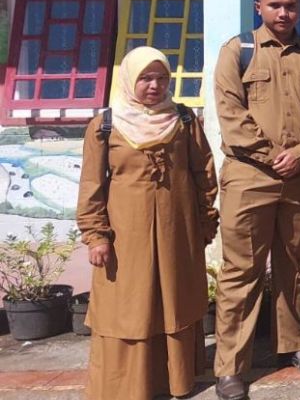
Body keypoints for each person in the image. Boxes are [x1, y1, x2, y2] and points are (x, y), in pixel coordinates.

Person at [212, 0, 300, 400]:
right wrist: (272, 156)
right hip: (250, 177)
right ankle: (231, 367)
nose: (283, 13)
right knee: (241, 273)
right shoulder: (238, 51)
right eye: (274, 5)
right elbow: (231, 113)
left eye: (290, 6)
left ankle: (292, 346)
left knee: (293, 265)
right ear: (258, 7)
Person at [76, 47, 218, 400]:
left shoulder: (183, 121)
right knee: (129, 305)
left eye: (161, 78)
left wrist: (205, 222)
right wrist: (96, 236)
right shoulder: (105, 125)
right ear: (129, 80)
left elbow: (205, 174)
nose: (154, 86)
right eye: (145, 78)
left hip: (177, 232)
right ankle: (128, 385)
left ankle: (175, 380)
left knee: (174, 301)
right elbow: (92, 186)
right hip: (125, 235)